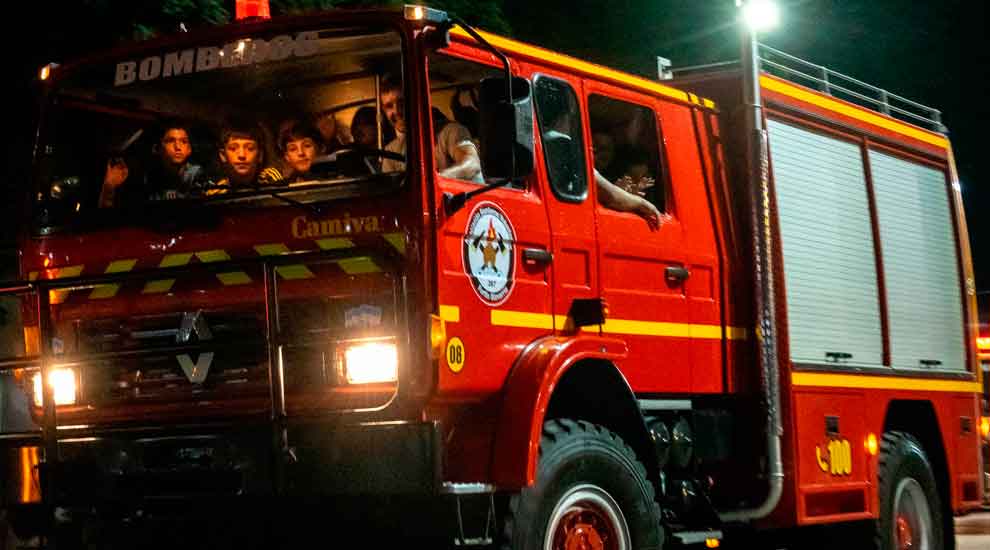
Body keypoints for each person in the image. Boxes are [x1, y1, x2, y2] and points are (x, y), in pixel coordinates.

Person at [379, 75, 483, 183]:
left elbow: (472, 164)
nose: (397, 111)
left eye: (402, 103)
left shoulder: (451, 131)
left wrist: (432, 181)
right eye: (389, 106)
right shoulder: (390, 151)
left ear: (417, 101)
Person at [207, 120, 283, 195]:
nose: (242, 155)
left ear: (260, 155)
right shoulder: (216, 193)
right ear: (223, 155)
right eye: (233, 148)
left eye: (250, 148)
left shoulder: (270, 179)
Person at [146, 120, 205, 200]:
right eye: (170, 141)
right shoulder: (149, 177)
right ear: (157, 148)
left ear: (189, 149)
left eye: (184, 142)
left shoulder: (197, 175)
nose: (178, 147)